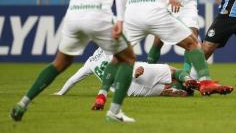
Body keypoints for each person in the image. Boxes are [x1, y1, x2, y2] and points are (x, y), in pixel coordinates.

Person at [54, 47, 199, 97]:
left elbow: (73, 79)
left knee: (165, 90)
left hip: (127, 91)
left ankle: (180, 91)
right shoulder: (110, 49)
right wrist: (135, 72)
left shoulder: (89, 64)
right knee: (172, 71)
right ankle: (188, 82)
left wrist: (61, 92)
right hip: (136, 72)